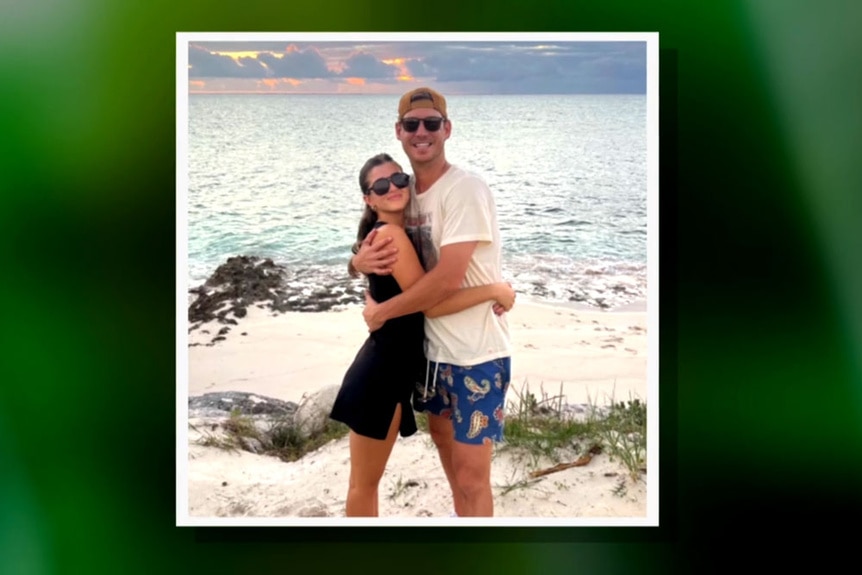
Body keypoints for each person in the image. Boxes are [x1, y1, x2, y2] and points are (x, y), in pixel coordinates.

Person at [350, 88, 512, 517]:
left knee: (474, 480)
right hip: (432, 358)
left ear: (447, 129)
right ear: (399, 132)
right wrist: (355, 262)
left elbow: (443, 284)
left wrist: (381, 311)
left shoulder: (465, 189)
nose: (422, 132)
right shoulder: (409, 195)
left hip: (477, 354)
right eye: (412, 124)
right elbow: (383, 242)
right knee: (454, 476)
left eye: (431, 123)